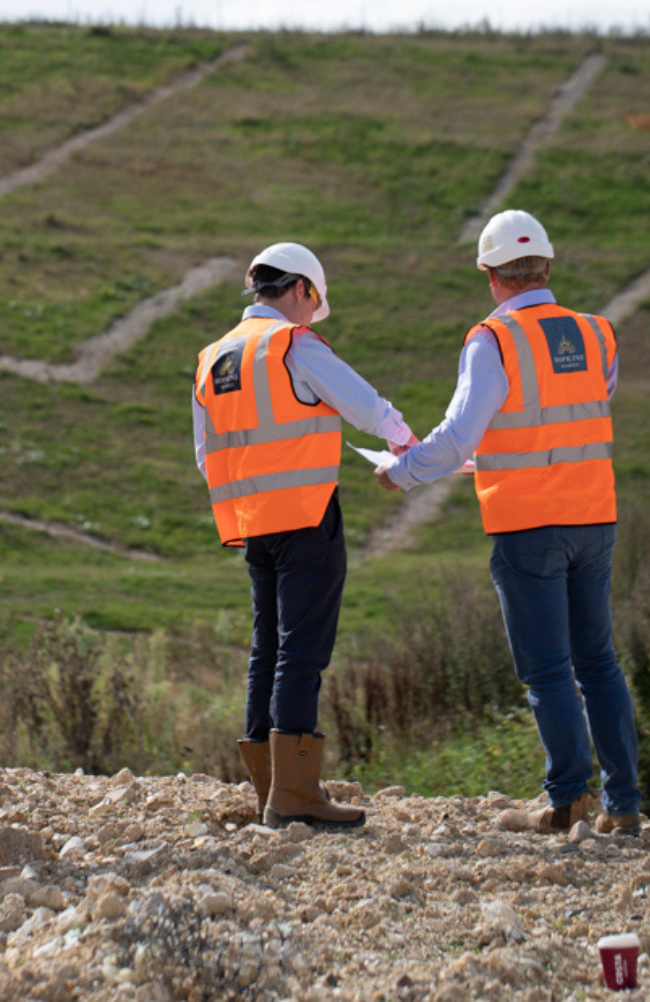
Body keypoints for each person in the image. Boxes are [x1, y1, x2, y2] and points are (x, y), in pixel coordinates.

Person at [376, 209, 641, 836]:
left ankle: (566, 800)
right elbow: (570, 417)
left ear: (490, 275)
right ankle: (624, 805)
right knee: (598, 660)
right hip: (594, 517)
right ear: (547, 266)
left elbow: (460, 432)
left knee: (548, 668)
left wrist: (402, 471)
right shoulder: (598, 333)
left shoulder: (492, 339)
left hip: (528, 526)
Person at [195, 242, 415, 830]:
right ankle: (294, 795)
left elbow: (205, 455)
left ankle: (271, 788)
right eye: (311, 303)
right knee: (303, 648)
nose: (310, 315)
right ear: (300, 290)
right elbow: (364, 406)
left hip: (252, 524)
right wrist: (403, 440)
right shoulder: (292, 343)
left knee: (267, 644)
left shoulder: (213, 359)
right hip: (307, 514)